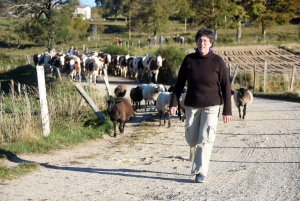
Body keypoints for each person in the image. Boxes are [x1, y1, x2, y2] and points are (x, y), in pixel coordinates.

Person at [169, 28, 232, 183]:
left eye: (205, 40)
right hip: (192, 104)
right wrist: (174, 102)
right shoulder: (189, 60)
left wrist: (227, 110)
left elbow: (226, 86)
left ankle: (200, 172)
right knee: (191, 139)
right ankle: (196, 155)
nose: (202, 43)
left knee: (206, 138)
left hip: (212, 104)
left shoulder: (218, 61)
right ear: (196, 42)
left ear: (211, 43)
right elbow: (179, 83)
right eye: (200, 40)